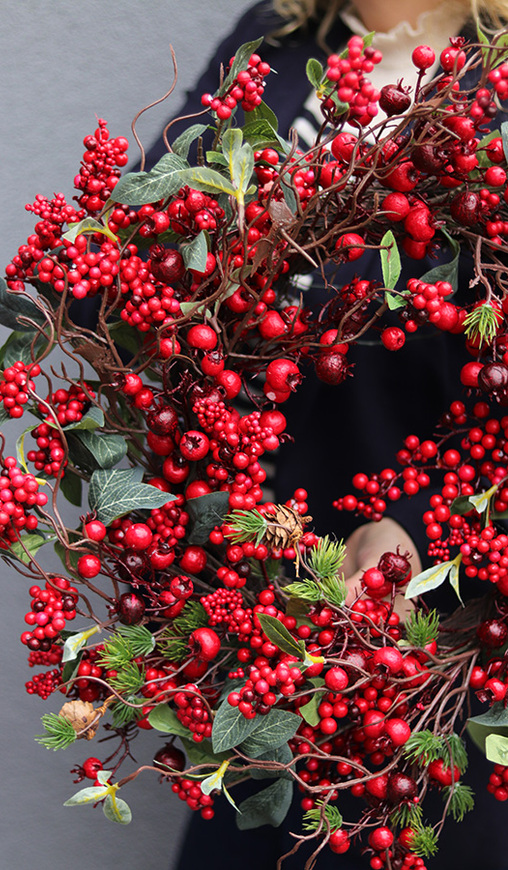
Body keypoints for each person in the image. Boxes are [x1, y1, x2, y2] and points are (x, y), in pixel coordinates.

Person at [144, 1, 508, 867]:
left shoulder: (492, 83)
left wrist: (415, 527)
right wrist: (232, 239)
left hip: (449, 662)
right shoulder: (285, 41)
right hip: (267, 648)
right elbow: (127, 281)